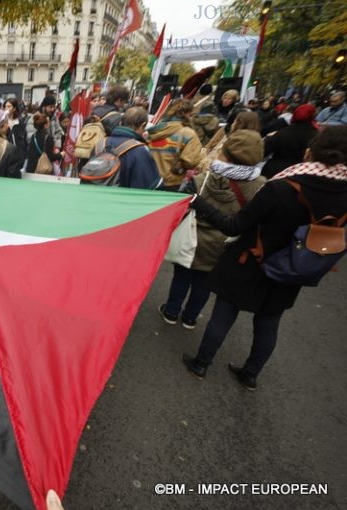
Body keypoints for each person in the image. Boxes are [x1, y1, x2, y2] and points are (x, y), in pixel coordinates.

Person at [182, 126, 347, 389]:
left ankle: (201, 363)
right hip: (293, 267)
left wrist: (198, 203)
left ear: (310, 152)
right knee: (268, 323)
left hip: (249, 260)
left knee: (223, 315)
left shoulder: (281, 187)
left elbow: (234, 226)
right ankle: (250, 374)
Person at [161, 129, 266, 330]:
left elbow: (182, 204)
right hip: (224, 244)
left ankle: (171, 311)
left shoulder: (204, 178)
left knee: (182, 276)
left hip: (192, 237)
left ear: (226, 153)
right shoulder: (259, 186)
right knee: (204, 283)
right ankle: (190, 317)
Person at [91, 107, 161, 189]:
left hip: (94, 198)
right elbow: (146, 186)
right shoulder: (140, 151)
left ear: (120, 122)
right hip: (121, 200)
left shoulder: (100, 144)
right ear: (143, 125)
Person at [146, 99, 203, 191]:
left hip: (149, 180)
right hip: (171, 182)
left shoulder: (155, 130)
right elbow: (190, 162)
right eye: (190, 114)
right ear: (186, 114)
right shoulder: (188, 133)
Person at [261, 104, 320, 179]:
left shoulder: (282, 133)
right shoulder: (317, 135)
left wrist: (268, 138)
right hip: (301, 174)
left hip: (275, 172)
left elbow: (263, 151)